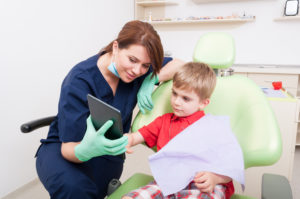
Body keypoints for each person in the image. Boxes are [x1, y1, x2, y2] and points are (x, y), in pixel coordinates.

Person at [35, 20, 184, 199]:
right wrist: (86, 150)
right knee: (75, 189)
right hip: (65, 149)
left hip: (107, 153)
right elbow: (68, 148)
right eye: (132, 60)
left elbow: (180, 65)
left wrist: (151, 79)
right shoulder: (80, 79)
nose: (137, 70)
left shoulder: (138, 70)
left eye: (146, 65)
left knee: (92, 190)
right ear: (116, 47)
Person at [122, 62, 235, 199]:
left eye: (185, 98)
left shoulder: (212, 128)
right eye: (174, 94)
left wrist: (215, 178)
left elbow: (232, 169)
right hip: (167, 184)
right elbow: (136, 137)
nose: (176, 102)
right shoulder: (163, 121)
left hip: (201, 187)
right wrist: (127, 140)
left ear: (203, 103)